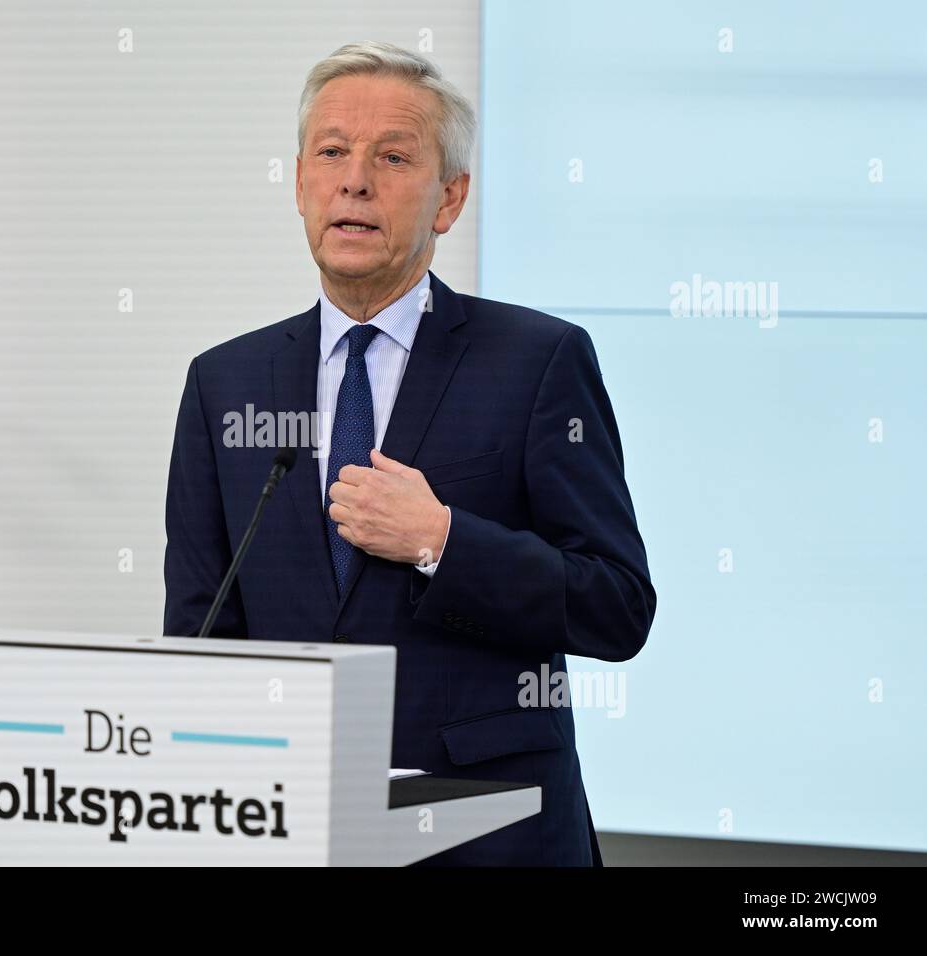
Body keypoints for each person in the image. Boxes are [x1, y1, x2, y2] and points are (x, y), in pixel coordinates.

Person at [163, 41, 656, 865]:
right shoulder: (226, 383)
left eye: (393, 157)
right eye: (331, 153)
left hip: (492, 833)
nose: (354, 180)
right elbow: (201, 635)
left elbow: (616, 605)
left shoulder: (538, 361)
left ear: (449, 199)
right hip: (294, 831)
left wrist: (443, 541)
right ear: (298, 182)